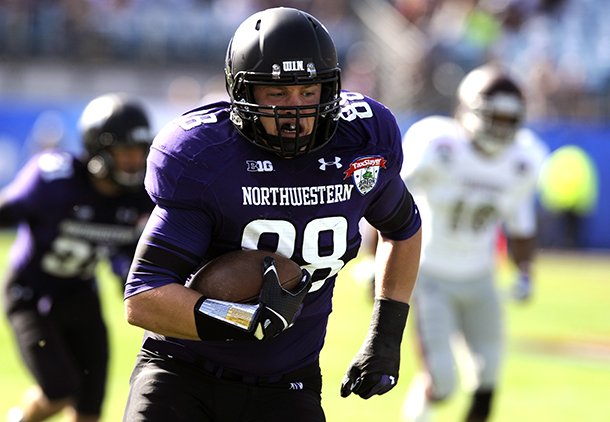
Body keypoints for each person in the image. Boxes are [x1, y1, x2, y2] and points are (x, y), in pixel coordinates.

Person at [122, 6, 422, 422]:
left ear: (330, 88)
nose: (295, 111)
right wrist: (239, 318)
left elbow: (403, 229)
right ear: (242, 93)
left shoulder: (362, 141)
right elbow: (143, 297)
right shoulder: (207, 156)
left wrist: (385, 336)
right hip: (183, 370)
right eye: (277, 94)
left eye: (308, 92)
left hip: (286, 383)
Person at [400, 64, 548, 422]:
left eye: (508, 119)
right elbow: (392, 203)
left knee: (487, 382)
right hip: (431, 277)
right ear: (468, 110)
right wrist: (376, 262)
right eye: (493, 115)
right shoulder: (438, 144)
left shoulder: (523, 159)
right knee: (442, 382)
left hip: (481, 279)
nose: (500, 126)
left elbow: (520, 221)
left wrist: (525, 271)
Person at [2, 93, 154, 422]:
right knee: (59, 391)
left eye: (139, 151)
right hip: (31, 293)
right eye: (124, 150)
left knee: (89, 408)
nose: (133, 161)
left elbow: (131, 260)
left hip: (80, 293)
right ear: (98, 149)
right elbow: (7, 211)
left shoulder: (140, 199)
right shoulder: (56, 179)